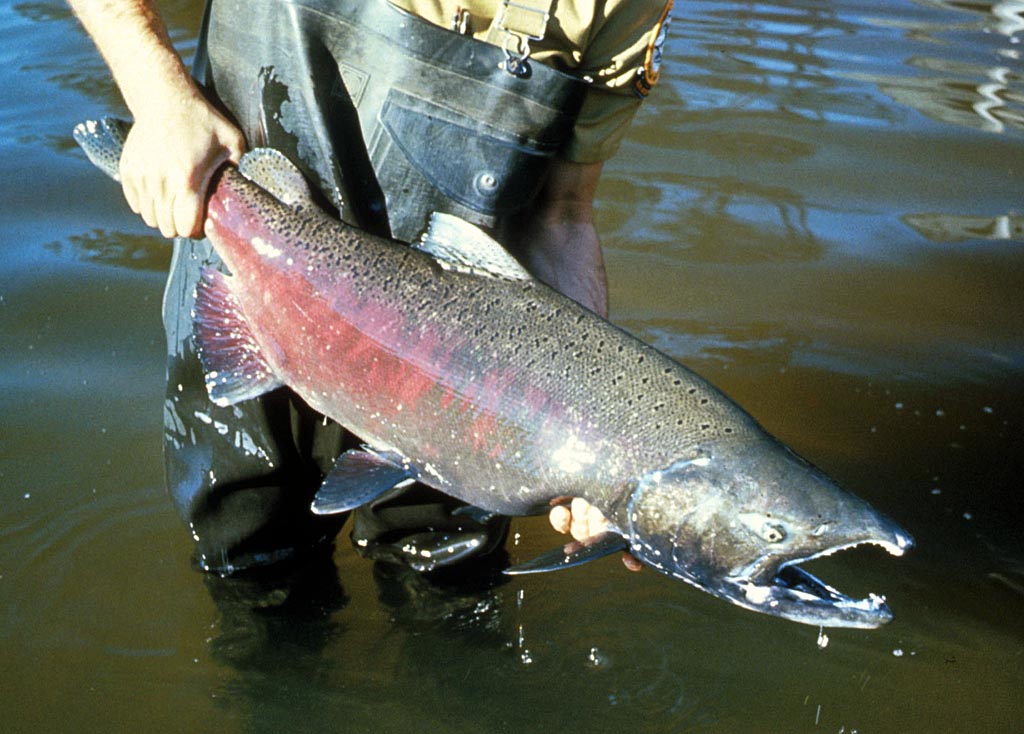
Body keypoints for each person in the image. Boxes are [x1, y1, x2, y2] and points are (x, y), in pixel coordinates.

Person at [69, 0, 668, 576]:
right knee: (253, 566)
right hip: (254, 270)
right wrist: (158, 96)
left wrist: (595, 428)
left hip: (459, 373)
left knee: (448, 598)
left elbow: (561, 216)